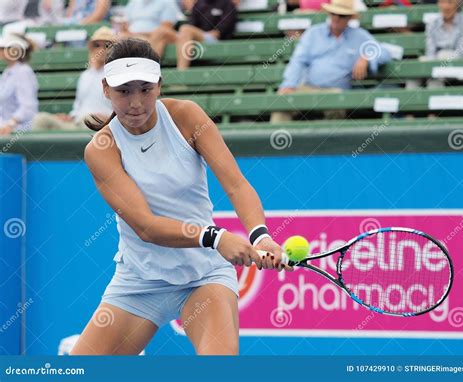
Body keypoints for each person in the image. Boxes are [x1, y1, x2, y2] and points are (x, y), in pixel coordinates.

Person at [69, 38, 292, 355]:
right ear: (105, 89)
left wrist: (261, 237)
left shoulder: (187, 116)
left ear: (159, 85)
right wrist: (216, 237)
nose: (135, 103)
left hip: (204, 276)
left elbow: (236, 185)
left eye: (145, 89)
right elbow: (146, 226)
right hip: (139, 281)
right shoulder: (101, 150)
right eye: (124, 91)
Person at [271, 0, 391, 122]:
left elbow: (384, 52)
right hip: (308, 88)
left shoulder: (359, 36)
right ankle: (274, 136)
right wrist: (289, 84)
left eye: (342, 15)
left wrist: (366, 56)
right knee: (282, 101)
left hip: (336, 92)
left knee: (336, 100)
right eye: (333, 14)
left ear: (350, 18)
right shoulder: (313, 33)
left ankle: (329, 140)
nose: (336, 18)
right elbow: (298, 60)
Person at [32, 27, 114, 131]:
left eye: (106, 45)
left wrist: (107, 118)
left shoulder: (115, 74)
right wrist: (70, 116)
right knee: (40, 119)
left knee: (89, 119)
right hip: (78, 122)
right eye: (97, 45)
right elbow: (78, 107)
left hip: (102, 126)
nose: (101, 49)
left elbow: (122, 112)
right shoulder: (85, 75)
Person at [150, 0, 237, 69]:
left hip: (214, 41)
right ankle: (150, 71)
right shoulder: (199, 4)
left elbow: (222, 30)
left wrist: (216, 32)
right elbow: (192, 23)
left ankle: (181, 72)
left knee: (185, 29)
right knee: (161, 31)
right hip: (194, 37)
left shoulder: (227, 4)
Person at [0, 34, 38, 135]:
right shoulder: (7, 72)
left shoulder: (23, 72)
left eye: (4, 48)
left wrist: (11, 124)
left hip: (20, 131)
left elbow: (28, 106)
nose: (1, 50)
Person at [113, 0, 180, 42]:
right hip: (130, 35)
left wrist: (136, 34)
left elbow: (165, 29)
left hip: (151, 37)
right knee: (107, 39)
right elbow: (125, 24)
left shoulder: (167, 2)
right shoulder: (134, 2)